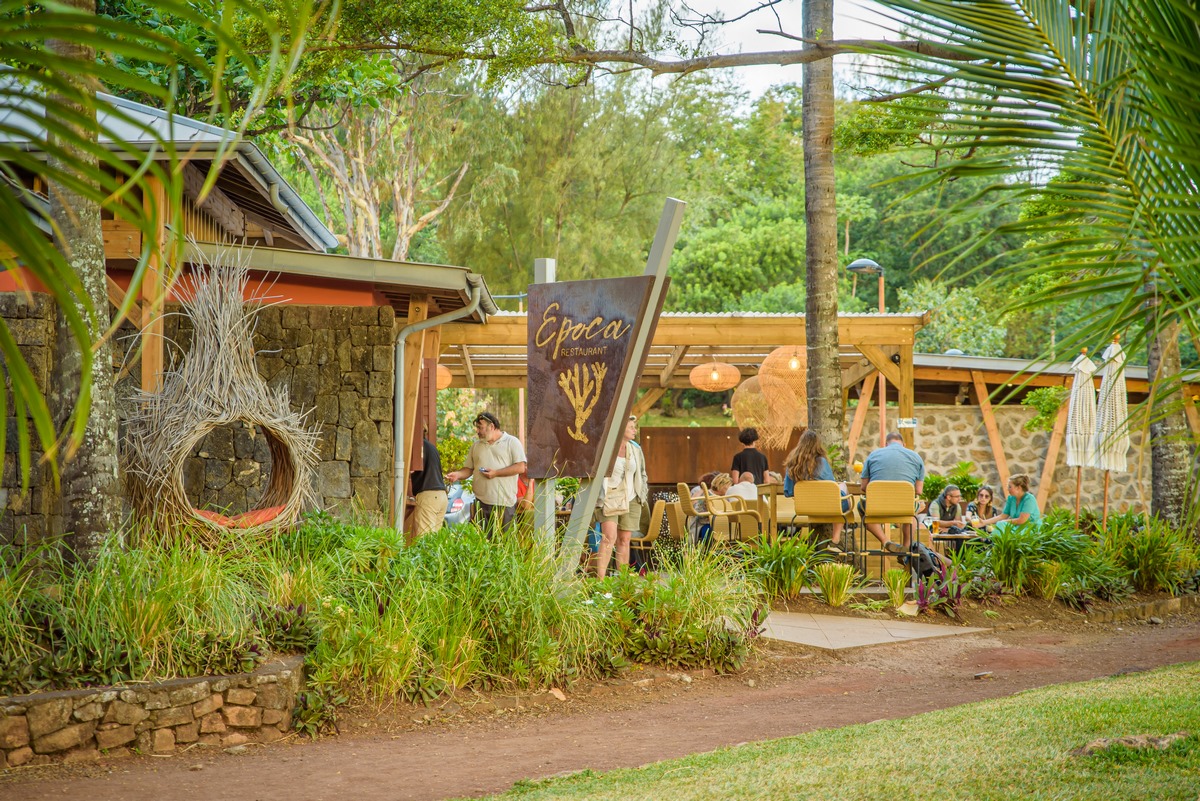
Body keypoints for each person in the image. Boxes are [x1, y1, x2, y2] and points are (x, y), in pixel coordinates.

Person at [445, 411, 527, 533]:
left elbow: (520, 467)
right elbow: (468, 469)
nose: (477, 431)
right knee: (483, 545)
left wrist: (496, 473)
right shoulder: (476, 446)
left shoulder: (512, 442)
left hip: (504, 505)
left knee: (503, 545)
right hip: (480, 504)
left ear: (492, 426)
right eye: (477, 428)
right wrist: (457, 475)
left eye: (480, 428)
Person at [594, 415, 649, 577]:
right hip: (609, 498)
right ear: (620, 429)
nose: (635, 430)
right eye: (631, 427)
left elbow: (643, 473)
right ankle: (600, 581)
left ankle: (623, 581)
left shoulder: (635, 449)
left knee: (624, 540)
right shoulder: (606, 448)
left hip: (631, 498)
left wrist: (642, 493)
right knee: (608, 537)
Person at [782, 429, 851, 551]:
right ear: (817, 445)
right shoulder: (821, 462)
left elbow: (788, 492)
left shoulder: (792, 465)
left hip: (805, 508)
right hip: (826, 507)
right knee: (842, 489)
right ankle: (835, 540)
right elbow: (831, 488)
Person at [859, 431, 926, 553]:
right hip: (904, 507)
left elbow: (864, 487)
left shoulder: (873, 455)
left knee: (862, 507)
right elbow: (918, 490)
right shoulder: (916, 457)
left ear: (886, 444)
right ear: (903, 444)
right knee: (912, 513)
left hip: (877, 507)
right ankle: (906, 547)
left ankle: (885, 541)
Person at [409, 433, 447, 539]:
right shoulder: (431, 447)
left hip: (429, 496)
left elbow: (410, 469)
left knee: (424, 540)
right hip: (441, 496)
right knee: (434, 541)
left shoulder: (419, 447)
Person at [689, 471, 729, 544]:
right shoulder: (707, 496)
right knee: (711, 530)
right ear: (722, 486)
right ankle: (710, 553)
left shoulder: (721, 497)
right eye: (728, 487)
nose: (729, 490)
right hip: (702, 525)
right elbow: (700, 514)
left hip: (716, 524)